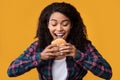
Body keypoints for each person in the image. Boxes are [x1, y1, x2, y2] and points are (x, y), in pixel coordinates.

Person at [7, 2, 112, 80]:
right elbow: (11, 71)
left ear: (72, 25)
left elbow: (107, 73)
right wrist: (40, 56)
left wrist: (79, 55)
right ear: (47, 26)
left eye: (65, 24)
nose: (59, 29)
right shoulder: (38, 46)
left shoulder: (83, 46)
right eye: (54, 24)